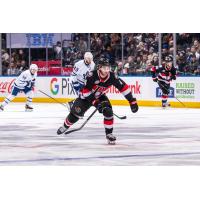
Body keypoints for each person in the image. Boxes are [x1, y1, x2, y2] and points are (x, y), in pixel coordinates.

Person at [57, 58, 139, 144]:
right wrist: (95, 103)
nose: (107, 70)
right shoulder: (91, 75)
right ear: (99, 68)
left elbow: (123, 87)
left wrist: (132, 101)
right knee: (75, 114)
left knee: (108, 112)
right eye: (104, 68)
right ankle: (65, 126)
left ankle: (109, 134)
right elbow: (85, 91)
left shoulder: (112, 76)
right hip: (86, 97)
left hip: (100, 96)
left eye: (108, 68)